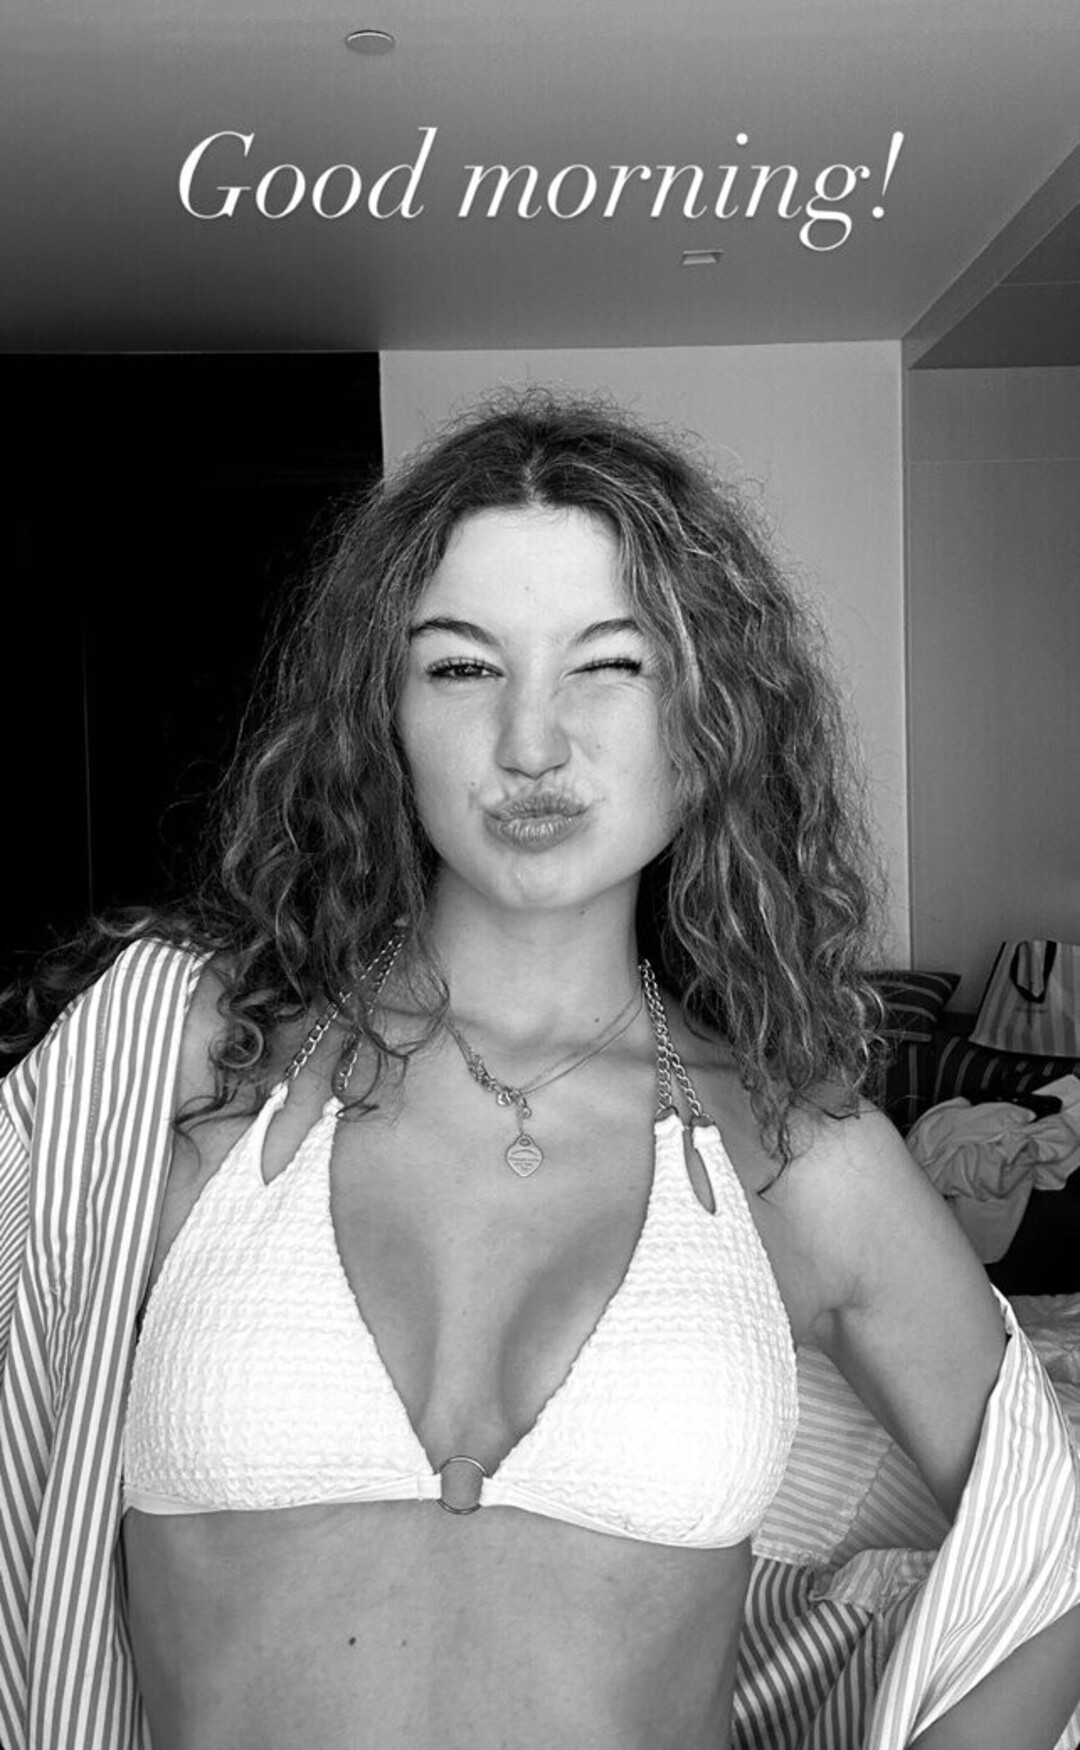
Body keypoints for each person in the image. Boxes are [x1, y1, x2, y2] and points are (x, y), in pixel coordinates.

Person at [1, 389, 1078, 1750]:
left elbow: (1051, 1545)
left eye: (610, 664)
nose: (532, 742)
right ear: (381, 713)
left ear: (710, 714)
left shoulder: (792, 1148)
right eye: (462, 668)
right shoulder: (189, 1060)